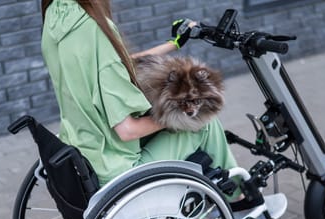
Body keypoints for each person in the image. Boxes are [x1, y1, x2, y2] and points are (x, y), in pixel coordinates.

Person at [40, 0, 242, 200]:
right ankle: (238, 198)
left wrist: (174, 44)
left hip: (84, 152)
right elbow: (128, 130)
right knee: (205, 122)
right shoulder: (96, 27)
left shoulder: (54, 15)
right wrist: (175, 115)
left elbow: (117, 63)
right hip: (116, 169)